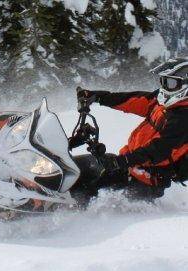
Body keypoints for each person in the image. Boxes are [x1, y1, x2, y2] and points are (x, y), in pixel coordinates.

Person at [70, 58, 188, 203]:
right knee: (77, 172)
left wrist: (122, 161)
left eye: (170, 83)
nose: (164, 87)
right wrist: (98, 96)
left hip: (145, 180)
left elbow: (159, 150)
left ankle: (70, 220)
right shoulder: (163, 102)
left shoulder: (183, 117)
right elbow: (134, 100)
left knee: (88, 194)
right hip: (129, 165)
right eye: (163, 81)